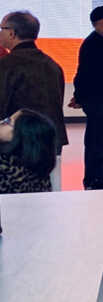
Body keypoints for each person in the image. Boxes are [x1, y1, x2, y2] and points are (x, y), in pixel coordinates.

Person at [0, 11, 68, 189]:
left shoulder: (6, 65)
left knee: (19, 193)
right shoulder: (52, 64)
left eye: (1, 29)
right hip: (50, 137)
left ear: (11, 33)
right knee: (46, 188)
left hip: (18, 142)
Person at [70, 5, 103, 190]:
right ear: (101, 22)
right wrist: (80, 96)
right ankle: (93, 179)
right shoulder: (93, 44)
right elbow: (84, 74)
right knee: (97, 142)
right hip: (100, 103)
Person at [0, 109, 57, 194]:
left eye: (7, 121)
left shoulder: (5, 166)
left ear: (20, 136)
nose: (1, 122)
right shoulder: (38, 166)